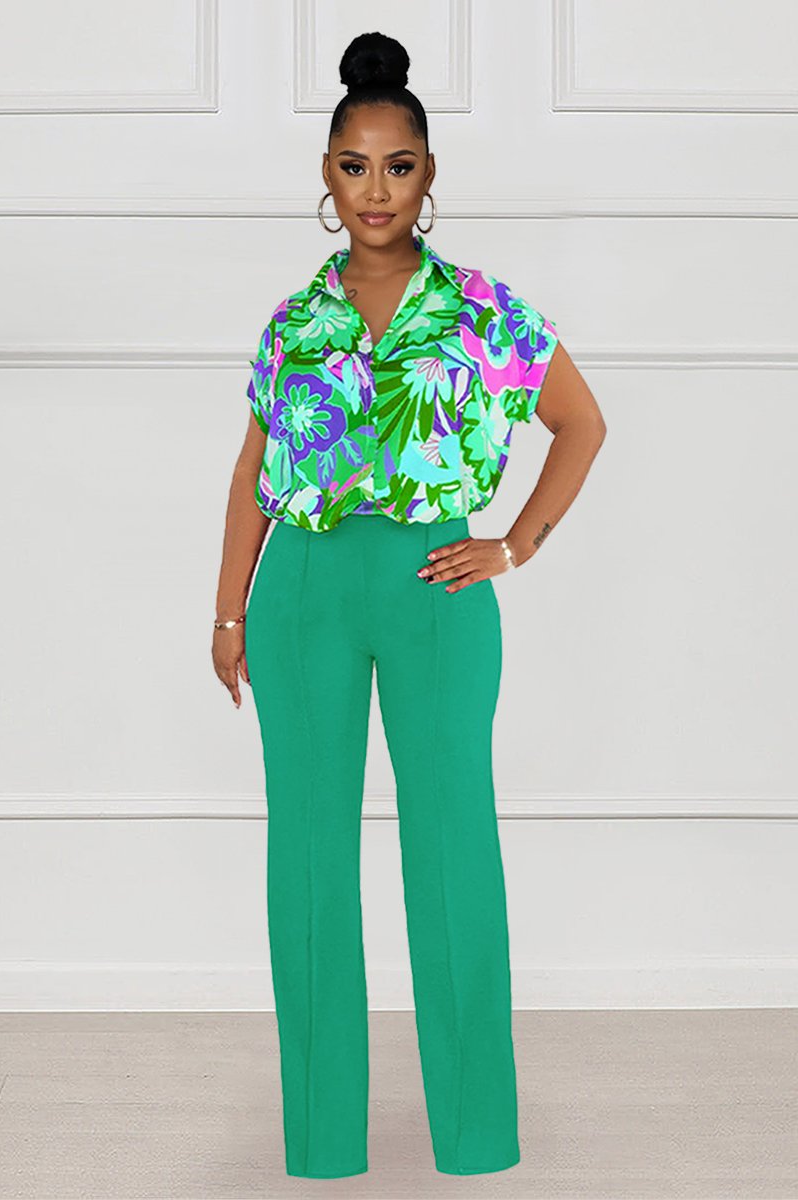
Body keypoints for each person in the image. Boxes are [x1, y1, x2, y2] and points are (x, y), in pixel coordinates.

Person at [212, 30, 606, 1181]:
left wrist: (512, 544)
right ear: (325, 179)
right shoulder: (294, 319)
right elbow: (252, 471)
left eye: (396, 166)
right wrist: (228, 613)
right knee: (307, 863)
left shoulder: (482, 310)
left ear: (429, 175)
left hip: (438, 585)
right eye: (353, 166)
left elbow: (579, 424)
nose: (374, 189)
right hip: (302, 593)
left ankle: (475, 1136)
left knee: (451, 852)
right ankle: (322, 1140)